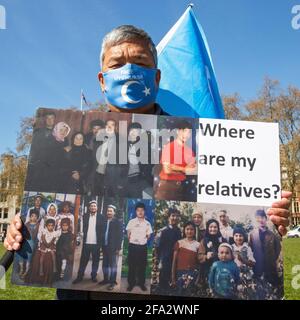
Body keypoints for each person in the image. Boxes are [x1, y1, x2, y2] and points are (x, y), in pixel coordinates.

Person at [4, 25, 291, 300]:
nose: (128, 70)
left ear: (156, 78)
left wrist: (268, 215)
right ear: (102, 81)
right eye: (116, 64)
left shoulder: (198, 140)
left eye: (140, 61)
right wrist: (22, 228)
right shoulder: (83, 138)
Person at [155, 120, 197, 201]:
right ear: (178, 131)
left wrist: (174, 167)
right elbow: (167, 170)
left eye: (189, 133)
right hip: (166, 187)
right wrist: (184, 169)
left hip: (181, 188)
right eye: (184, 131)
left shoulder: (190, 151)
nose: (187, 135)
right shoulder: (169, 147)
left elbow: (193, 171)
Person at [72, 200, 105, 284]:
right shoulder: (85, 216)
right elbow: (81, 227)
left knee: (95, 261)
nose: (93, 207)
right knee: (83, 260)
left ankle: (93, 276)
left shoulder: (101, 217)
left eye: (95, 206)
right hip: (86, 243)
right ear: (89, 207)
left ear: (97, 207)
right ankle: (79, 276)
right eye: (92, 206)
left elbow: (102, 231)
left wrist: (100, 244)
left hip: (96, 244)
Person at [249, 209, 282, 286]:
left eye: (262, 217)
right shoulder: (252, 235)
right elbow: (250, 249)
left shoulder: (272, 235)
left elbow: (278, 248)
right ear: (256, 220)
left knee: (274, 287)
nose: (260, 220)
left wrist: (272, 258)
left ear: (266, 219)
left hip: (270, 266)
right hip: (258, 265)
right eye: (258, 218)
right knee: (260, 288)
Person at [126, 202, 153, 292]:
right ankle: (131, 284)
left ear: (144, 211)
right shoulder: (131, 222)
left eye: (142, 210)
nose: (140, 212)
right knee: (132, 265)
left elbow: (149, 236)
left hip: (142, 247)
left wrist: (142, 240)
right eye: (138, 210)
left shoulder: (148, 223)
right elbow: (128, 233)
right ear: (136, 212)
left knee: (142, 266)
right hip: (133, 247)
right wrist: (133, 241)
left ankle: (141, 284)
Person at [154, 208, 181, 294]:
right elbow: (157, 248)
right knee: (163, 285)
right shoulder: (162, 231)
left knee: (173, 284)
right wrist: (159, 261)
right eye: (173, 216)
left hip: (176, 260)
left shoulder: (179, 231)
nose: (175, 218)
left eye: (177, 216)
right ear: (169, 217)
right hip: (165, 260)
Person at [124, 122, 154, 198]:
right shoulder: (122, 145)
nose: (133, 133)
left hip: (138, 179)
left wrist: (144, 177)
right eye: (131, 130)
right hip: (124, 179)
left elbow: (150, 163)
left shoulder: (145, 145)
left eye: (136, 131)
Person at [171, 221, 200, 296]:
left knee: (189, 293)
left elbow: (199, 263)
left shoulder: (198, 245)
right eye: (187, 229)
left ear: (194, 231)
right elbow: (174, 261)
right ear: (184, 230)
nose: (189, 231)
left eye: (192, 229)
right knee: (180, 292)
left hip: (192, 273)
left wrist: (197, 278)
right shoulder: (179, 243)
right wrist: (173, 278)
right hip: (180, 272)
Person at [28, 218, 60, 285]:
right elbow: (44, 241)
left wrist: (51, 244)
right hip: (43, 245)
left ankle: (54, 267)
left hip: (50, 246)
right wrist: (47, 244)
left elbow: (53, 242)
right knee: (42, 256)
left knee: (53, 254)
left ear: (54, 226)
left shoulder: (55, 233)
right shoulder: (44, 232)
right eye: (49, 225)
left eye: (52, 226)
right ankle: (41, 269)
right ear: (46, 226)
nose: (50, 227)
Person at [99, 205, 123, 290]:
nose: (109, 212)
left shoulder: (118, 222)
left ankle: (112, 282)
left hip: (113, 248)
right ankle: (106, 279)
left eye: (111, 211)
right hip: (104, 246)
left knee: (113, 265)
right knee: (104, 264)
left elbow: (120, 236)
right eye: (108, 211)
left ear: (114, 212)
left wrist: (118, 248)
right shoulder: (104, 221)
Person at [15, 209, 40, 279]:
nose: (34, 217)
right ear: (30, 216)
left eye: (35, 216)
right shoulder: (27, 224)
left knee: (29, 254)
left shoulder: (38, 225)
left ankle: (26, 271)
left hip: (33, 242)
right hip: (25, 241)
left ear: (37, 217)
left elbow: (39, 235)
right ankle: (21, 269)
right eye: (32, 216)